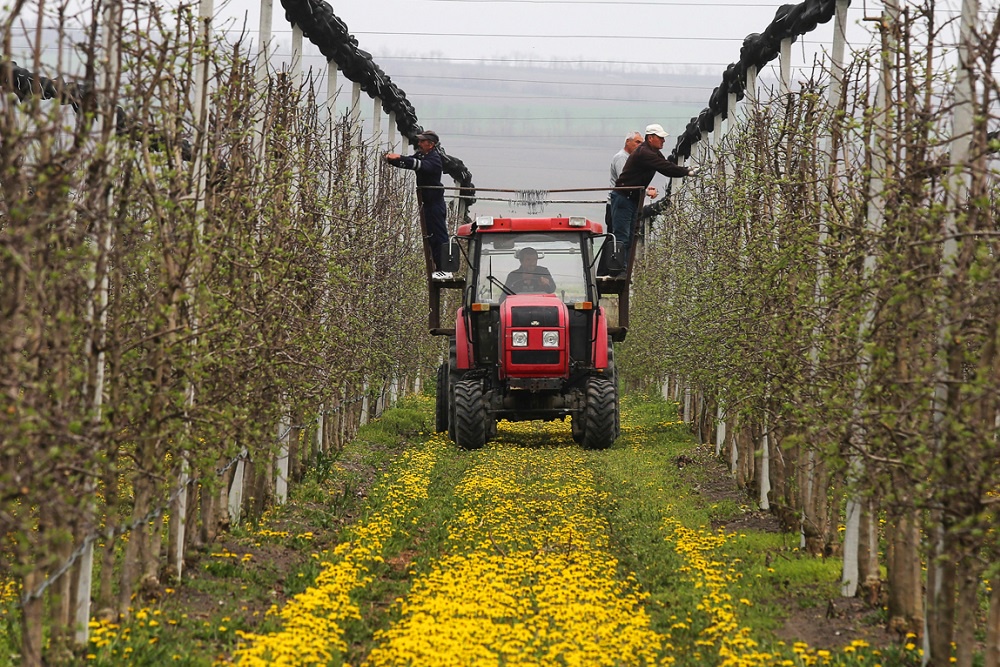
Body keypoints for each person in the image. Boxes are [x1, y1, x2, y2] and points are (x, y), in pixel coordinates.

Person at [607, 123, 698, 275]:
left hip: (630, 198)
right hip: (624, 198)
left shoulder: (652, 152)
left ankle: (624, 270)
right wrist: (686, 171)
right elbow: (665, 168)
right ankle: (619, 270)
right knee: (623, 236)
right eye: (660, 138)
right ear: (651, 138)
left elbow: (666, 165)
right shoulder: (645, 153)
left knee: (628, 236)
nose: (663, 141)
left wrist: (683, 170)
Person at [384, 130, 451, 279]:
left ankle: (446, 269)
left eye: (422, 141)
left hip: (435, 202)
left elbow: (419, 165)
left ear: (431, 144)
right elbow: (409, 162)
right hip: (426, 203)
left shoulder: (434, 159)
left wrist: (399, 157)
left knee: (440, 236)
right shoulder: (422, 155)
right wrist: (392, 160)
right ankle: (438, 267)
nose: (419, 144)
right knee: (431, 236)